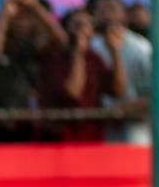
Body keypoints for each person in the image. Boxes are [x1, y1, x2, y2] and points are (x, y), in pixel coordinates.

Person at [0, 0, 62, 144]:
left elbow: (59, 41)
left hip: (23, 127)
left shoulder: (27, 47)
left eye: (26, 18)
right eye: (18, 18)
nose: (22, 23)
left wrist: (35, 5)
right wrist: (5, 16)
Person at [38, 9, 126, 142]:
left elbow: (117, 90)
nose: (84, 30)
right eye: (78, 25)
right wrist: (78, 54)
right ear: (66, 28)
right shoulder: (53, 56)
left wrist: (114, 51)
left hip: (90, 134)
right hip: (59, 135)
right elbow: (73, 93)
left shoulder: (94, 58)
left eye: (89, 24)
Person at [86, 0, 153, 144]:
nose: (107, 13)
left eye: (112, 8)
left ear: (125, 15)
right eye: (101, 9)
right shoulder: (90, 47)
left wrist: (127, 108)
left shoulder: (141, 47)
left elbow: (150, 90)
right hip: (98, 124)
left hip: (135, 126)